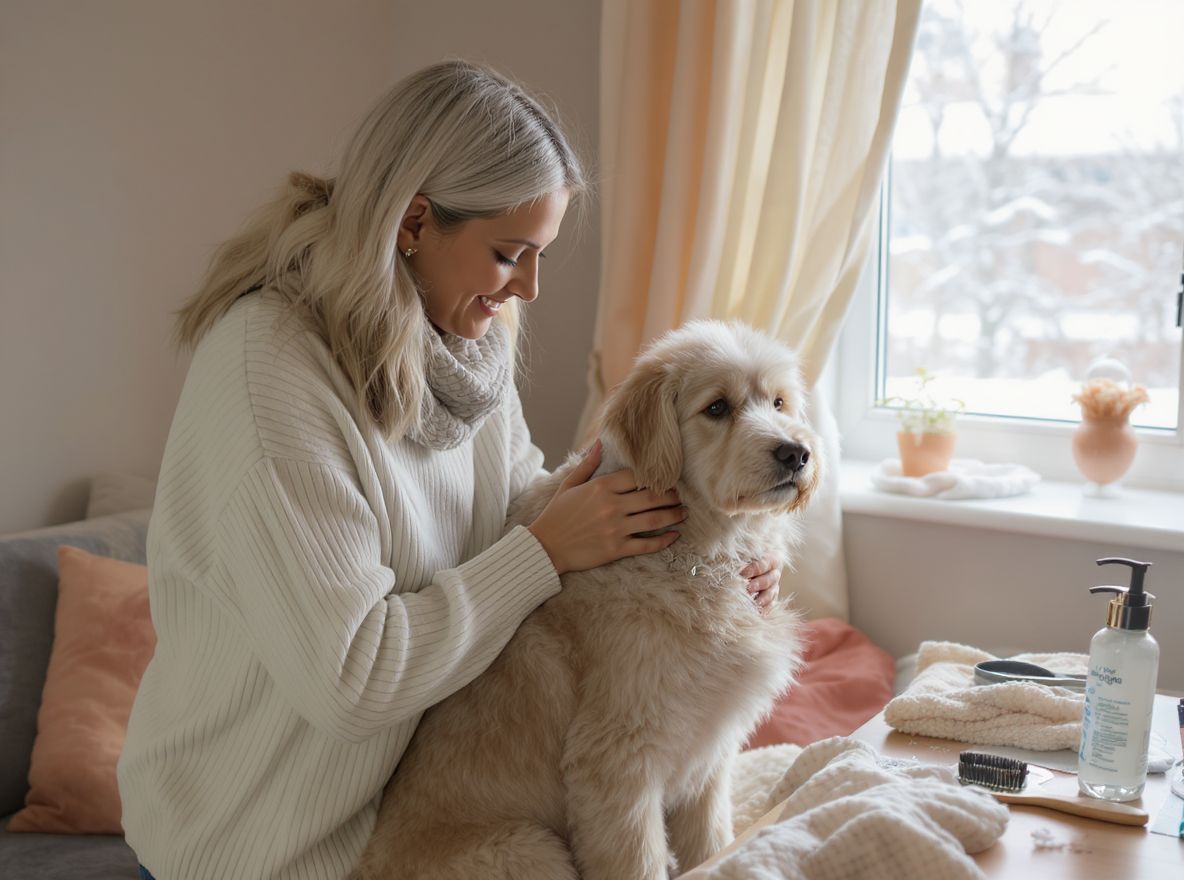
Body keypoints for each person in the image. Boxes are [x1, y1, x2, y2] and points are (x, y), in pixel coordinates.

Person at [116, 59, 781, 880]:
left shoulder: (460, 346)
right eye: (510, 254)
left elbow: (517, 505)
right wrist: (546, 551)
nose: (528, 288)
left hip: (405, 822)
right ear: (414, 222)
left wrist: (698, 563)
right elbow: (354, 682)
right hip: (259, 847)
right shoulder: (268, 377)